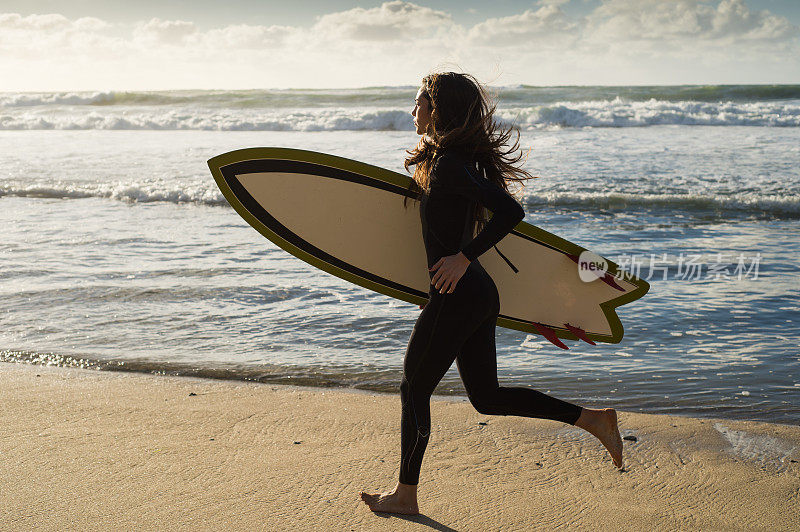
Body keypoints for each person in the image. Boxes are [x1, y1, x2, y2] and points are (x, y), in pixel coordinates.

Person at [359, 72, 622, 516]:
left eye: (419, 100)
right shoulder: (451, 161)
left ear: (437, 108)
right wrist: (446, 276)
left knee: (413, 388)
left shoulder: (450, 165)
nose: (412, 110)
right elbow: (445, 233)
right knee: (486, 397)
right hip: (472, 294)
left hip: (464, 292)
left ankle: (405, 495)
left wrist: (463, 258)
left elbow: (510, 211)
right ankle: (592, 419)